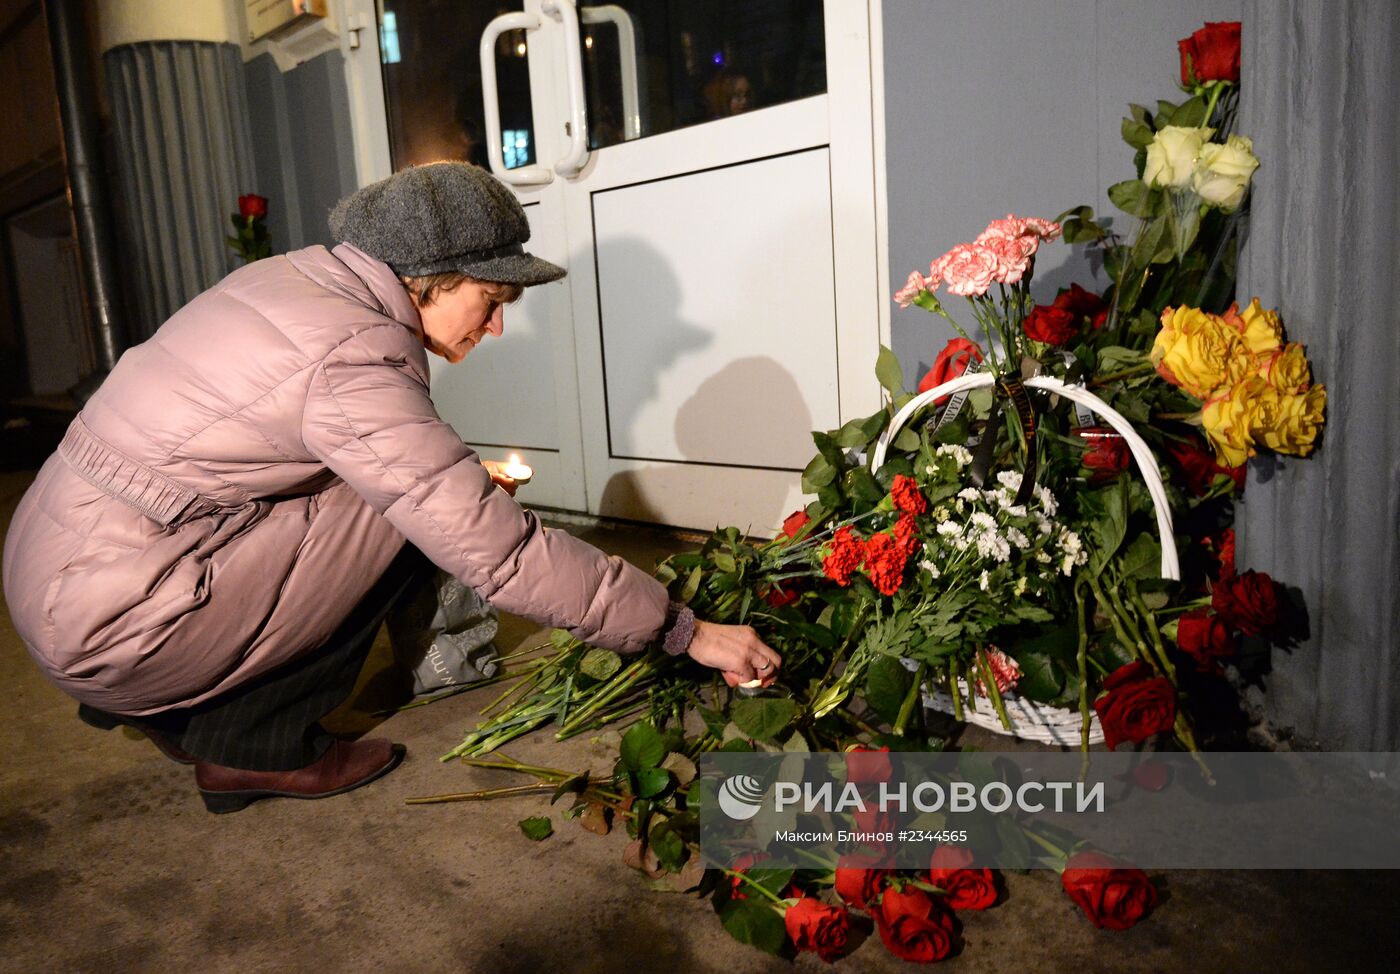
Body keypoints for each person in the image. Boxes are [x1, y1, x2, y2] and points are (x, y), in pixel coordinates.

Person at [0, 162, 781, 813]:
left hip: (64, 573)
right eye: (494, 299)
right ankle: (254, 743)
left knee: (413, 490)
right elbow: (495, 553)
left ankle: (191, 706)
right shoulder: (352, 354)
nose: (498, 325)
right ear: (430, 281)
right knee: (414, 515)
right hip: (113, 620)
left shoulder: (297, 282)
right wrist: (682, 630)